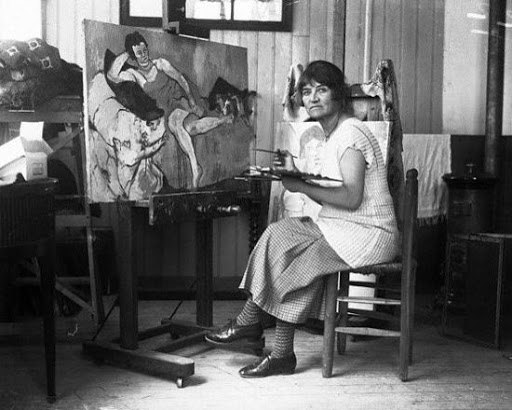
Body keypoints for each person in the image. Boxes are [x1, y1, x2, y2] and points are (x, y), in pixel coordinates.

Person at [205, 60, 400, 378]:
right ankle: (251, 324)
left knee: (298, 262)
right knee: (277, 234)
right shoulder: (333, 135)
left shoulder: (351, 132)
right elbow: (334, 191)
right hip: (343, 227)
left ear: (338, 95)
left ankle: (270, 343)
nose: (313, 98)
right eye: (307, 92)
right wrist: (297, 175)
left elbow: (351, 197)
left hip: (371, 234)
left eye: (322, 90)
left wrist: (301, 186)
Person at [107, 31, 234, 188]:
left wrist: (191, 99)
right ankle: (223, 120)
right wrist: (127, 52)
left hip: (180, 96)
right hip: (164, 108)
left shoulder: (160, 64)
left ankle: (195, 169)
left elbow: (180, 79)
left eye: (145, 50)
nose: (144, 55)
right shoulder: (134, 74)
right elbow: (112, 75)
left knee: (174, 123)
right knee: (190, 128)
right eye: (139, 53)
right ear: (133, 55)